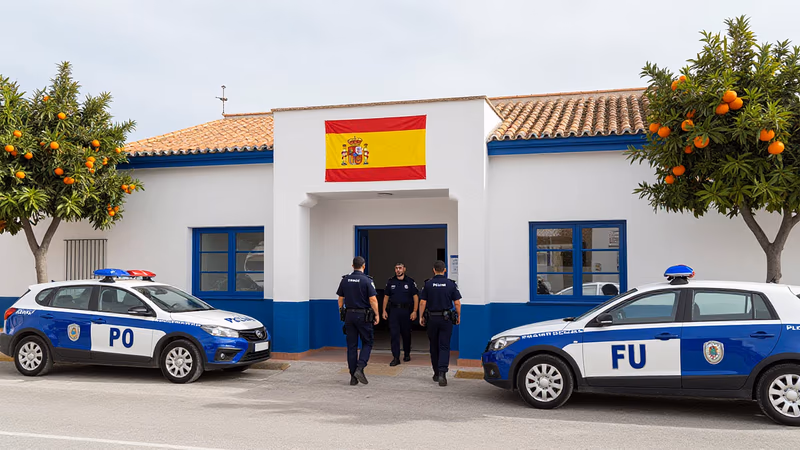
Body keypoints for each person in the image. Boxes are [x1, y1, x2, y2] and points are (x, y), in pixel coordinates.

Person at [336, 256, 380, 385]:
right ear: (364, 266)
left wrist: (342, 312)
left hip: (349, 315)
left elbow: (340, 300)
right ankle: (360, 368)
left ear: (352, 266)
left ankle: (353, 377)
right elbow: (373, 300)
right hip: (363, 316)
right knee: (368, 342)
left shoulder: (345, 280)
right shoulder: (367, 280)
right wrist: (376, 314)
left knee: (352, 346)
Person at [418, 260, 462, 386]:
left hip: (432, 319)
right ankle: (443, 373)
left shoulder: (428, 284)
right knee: (444, 346)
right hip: (446, 319)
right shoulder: (450, 284)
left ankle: (436, 373)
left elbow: (422, 302)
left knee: (434, 346)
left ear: (433, 270)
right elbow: (457, 303)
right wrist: (458, 315)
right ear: (445, 270)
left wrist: (421, 316)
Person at [381, 262, 419, 366]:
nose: (398, 270)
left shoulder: (410, 282)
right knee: (394, 335)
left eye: (400, 268)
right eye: (396, 268)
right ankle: (396, 357)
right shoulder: (390, 282)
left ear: (404, 269)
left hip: (406, 311)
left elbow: (416, 297)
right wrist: (384, 310)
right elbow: (386, 297)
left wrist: (415, 311)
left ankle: (407, 353)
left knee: (406, 334)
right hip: (394, 311)